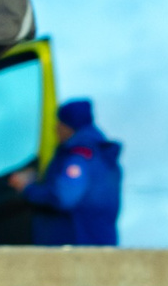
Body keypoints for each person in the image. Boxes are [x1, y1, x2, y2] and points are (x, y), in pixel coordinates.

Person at [14, 99, 123, 246]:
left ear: (68, 126)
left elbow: (64, 196)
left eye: (59, 122)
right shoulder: (99, 154)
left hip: (76, 246)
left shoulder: (79, 157)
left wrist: (28, 188)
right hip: (94, 246)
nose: (55, 128)